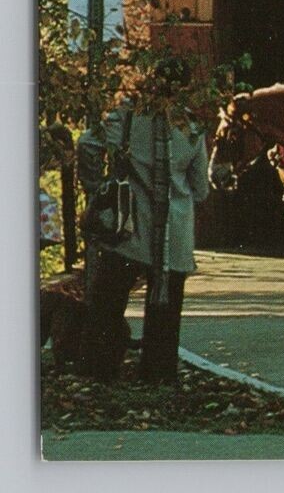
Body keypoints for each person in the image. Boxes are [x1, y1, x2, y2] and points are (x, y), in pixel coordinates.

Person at [77, 55, 210, 385]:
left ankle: (100, 369)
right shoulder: (192, 128)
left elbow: (87, 143)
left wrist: (96, 185)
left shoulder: (127, 117)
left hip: (128, 226)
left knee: (109, 301)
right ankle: (158, 374)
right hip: (173, 232)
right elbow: (201, 188)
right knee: (166, 308)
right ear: (185, 89)